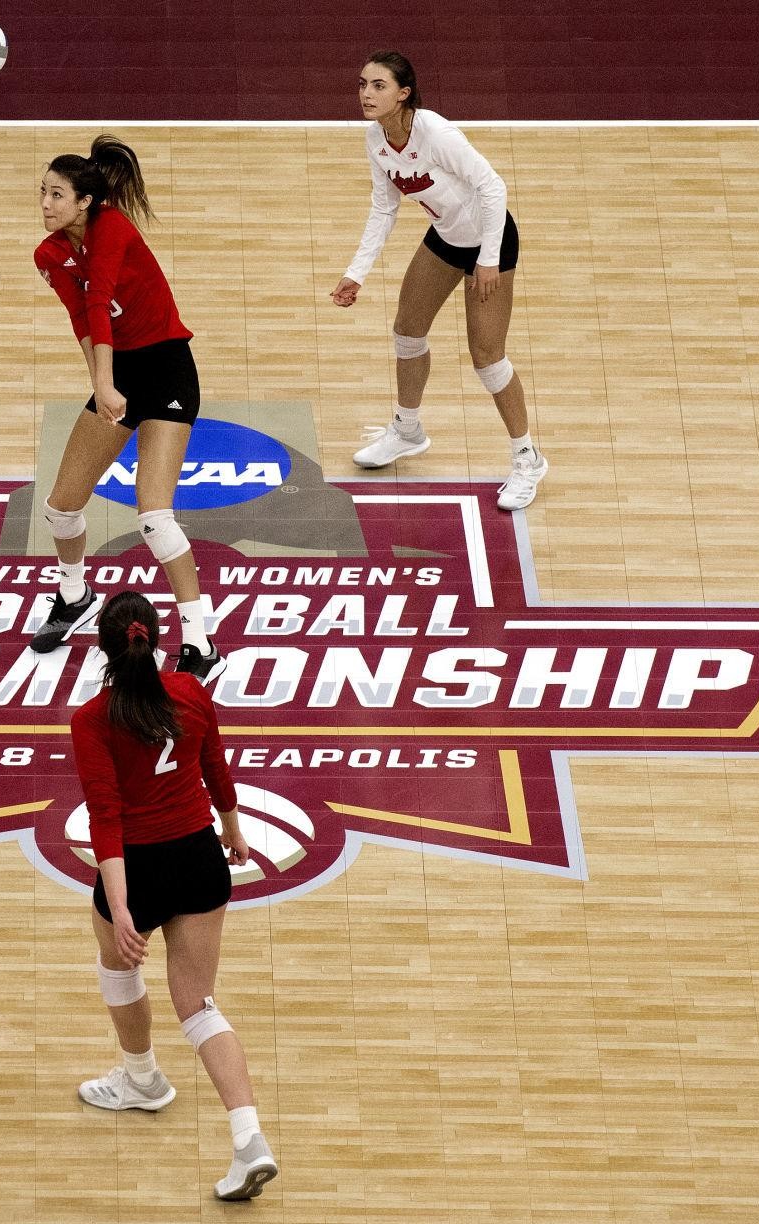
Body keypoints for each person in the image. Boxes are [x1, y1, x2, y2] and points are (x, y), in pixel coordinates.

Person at [68, 590, 278, 1201]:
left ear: (103, 649)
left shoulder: (92, 719)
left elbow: (106, 817)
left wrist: (122, 908)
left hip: (137, 869)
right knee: (200, 1007)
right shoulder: (190, 691)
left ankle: (142, 1080)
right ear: (158, 640)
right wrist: (234, 830)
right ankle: (249, 1141)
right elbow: (216, 767)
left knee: (118, 970)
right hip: (198, 861)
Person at [32, 135, 223, 680]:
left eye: (57, 195)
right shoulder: (49, 254)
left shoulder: (113, 227)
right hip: (118, 372)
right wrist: (104, 385)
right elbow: (82, 321)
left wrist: (107, 383)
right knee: (61, 508)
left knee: (154, 518)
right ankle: (75, 596)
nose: (45, 204)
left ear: (85, 202)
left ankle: (200, 644)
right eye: (43, 192)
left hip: (166, 369)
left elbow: (99, 301)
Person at [332, 50, 549, 511]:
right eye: (363, 84)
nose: (366, 94)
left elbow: (493, 187)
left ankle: (528, 458)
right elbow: (383, 208)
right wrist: (356, 273)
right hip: (446, 238)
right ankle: (407, 430)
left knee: (487, 358)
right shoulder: (375, 138)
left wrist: (488, 259)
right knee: (407, 332)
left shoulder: (435, 133)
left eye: (378, 86)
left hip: (491, 241)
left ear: (403, 93)